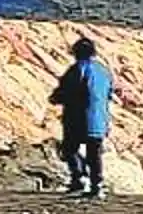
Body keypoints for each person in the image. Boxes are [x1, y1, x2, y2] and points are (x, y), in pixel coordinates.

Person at [48, 37, 114, 198]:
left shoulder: (77, 70)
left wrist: (55, 99)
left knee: (69, 149)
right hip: (100, 119)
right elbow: (109, 94)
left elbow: (65, 92)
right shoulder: (104, 72)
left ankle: (79, 178)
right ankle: (96, 184)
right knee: (94, 152)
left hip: (77, 119)